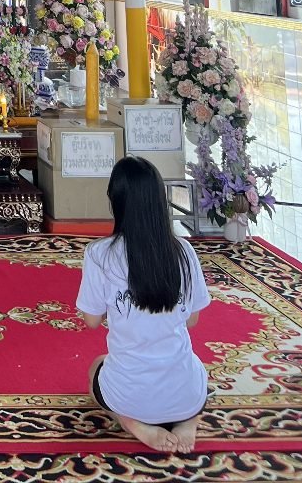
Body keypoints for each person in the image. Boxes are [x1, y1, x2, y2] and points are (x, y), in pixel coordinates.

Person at [77, 156, 211, 455]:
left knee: (96, 366)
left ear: (116, 202)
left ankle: (132, 423)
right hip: (185, 393)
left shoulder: (99, 254)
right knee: (194, 367)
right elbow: (192, 320)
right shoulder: (184, 251)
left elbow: (91, 320)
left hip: (131, 396)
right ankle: (188, 419)